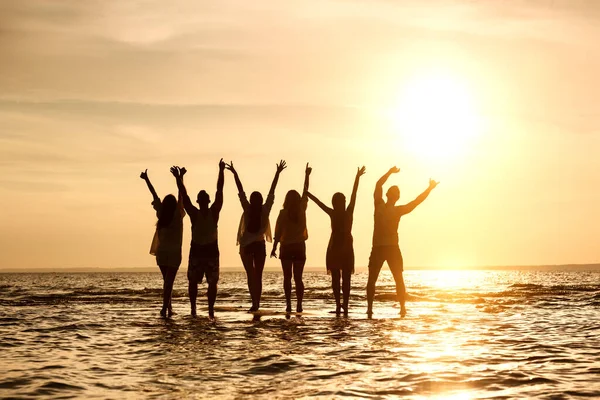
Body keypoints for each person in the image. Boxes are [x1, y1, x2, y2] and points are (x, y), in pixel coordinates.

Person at [366, 166, 439, 317]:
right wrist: (389, 173)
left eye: (396, 193)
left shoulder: (396, 210)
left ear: (396, 197)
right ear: (389, 195)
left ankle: (402, 308)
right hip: (379, 247)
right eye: (394, 192)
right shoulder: (379, 205)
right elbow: (378, 185)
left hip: (391, 248)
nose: (394, 195)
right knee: (374, 278)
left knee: (398, 278)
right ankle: (371, 308)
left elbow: (416, 202)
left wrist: (429, 188)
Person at [226, 160, 287, 312]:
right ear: (260, 201)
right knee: (257, 276)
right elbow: (272, 192)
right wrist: (277, 173)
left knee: (250, 275)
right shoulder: (265, 209)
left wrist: (235, 174)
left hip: (246, 245)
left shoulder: (247, 208)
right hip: (259, 245)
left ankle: (254, 302)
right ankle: (256, 303)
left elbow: (240, 192)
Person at [307, 166, 366, 315]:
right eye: (343, 200)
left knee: (341, 278)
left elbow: (353, 194)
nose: (345, 202)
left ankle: (342, 305)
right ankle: (341, 305)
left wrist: (357, 177)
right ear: (338, 202)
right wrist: (357, 177)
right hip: (339, 248)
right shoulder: (343, 212)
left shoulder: (341, 212)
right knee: (341, 278)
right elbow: (319, 202)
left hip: (340, 248)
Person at [171, 160, 225, 319]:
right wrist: (179, 179)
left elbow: (219, 190)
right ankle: (199, 309)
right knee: (198, 282)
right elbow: (218, 190)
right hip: (200, 251)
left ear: (203, 201)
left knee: (208, 282)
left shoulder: (211, 212)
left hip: (207, 251)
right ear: (205, 201)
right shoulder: (200, 213)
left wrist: (221, 171)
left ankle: (206, 309)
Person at [140, 168, 185, 318]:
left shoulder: (162, 212)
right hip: (173, 254)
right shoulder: (178, 214)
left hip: (162, 253)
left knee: (167, 282)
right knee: (168, 283)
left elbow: (154, 194)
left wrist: (146, 179)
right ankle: (165, 308)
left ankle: (168, 308)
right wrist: (180, 178)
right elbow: (182, 195)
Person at [271, 163, 311, 313]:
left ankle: (288, 304)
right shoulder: (301, 210)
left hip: (286, 247)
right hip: (299, 246)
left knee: (287, 277)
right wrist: (307, 175)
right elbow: (305, 192)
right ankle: (299, 304)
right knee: (298, 278)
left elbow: (277, 231)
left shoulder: (283, 213)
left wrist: (274, 247)